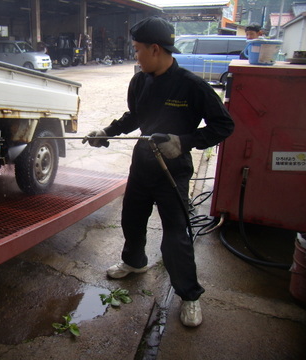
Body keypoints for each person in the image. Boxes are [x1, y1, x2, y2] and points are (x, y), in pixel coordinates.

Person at [83, 17, 234, 327]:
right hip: (142, 165)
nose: (135, 55)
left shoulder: (192, 86)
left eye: (138, 50)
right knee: (132, 218)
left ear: (155, 49)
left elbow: (224, 125)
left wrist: (184, 142)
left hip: (172, 171)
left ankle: (190, 296)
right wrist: (107, 132)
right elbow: (134, 117)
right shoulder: (140, 81)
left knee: (176, 235)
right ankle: (134, 262)